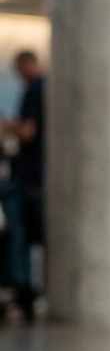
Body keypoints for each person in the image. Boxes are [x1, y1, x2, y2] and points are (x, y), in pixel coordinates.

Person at [0, 51, 45, 320]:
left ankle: (22, 288)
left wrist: (6, 124)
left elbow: (28, 131)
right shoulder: (48, 88)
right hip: (38, 175)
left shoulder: (34, 90)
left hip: (29, 177)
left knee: (19, 235)